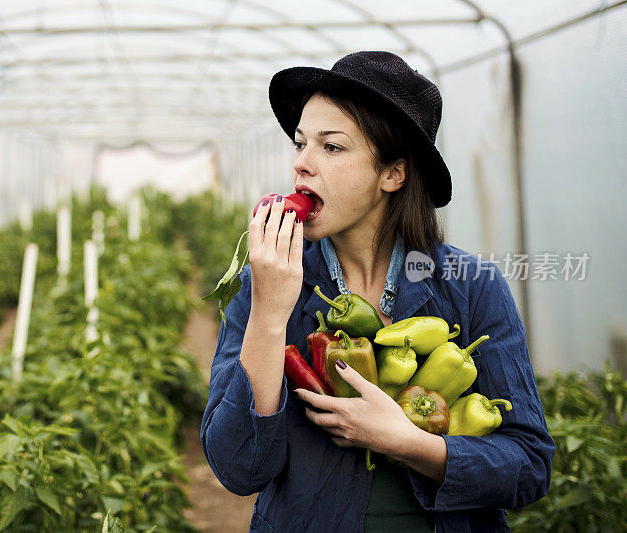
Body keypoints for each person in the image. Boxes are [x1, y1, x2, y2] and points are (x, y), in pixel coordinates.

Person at [200, 51, 554, 531]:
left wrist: (409, 442)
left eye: (332, 147)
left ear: (393, 173)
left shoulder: (472, 287)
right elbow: (239, 468)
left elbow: (529, 466)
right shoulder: (265, 284)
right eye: (300, 143)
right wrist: (267, 314)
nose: (301, 163)